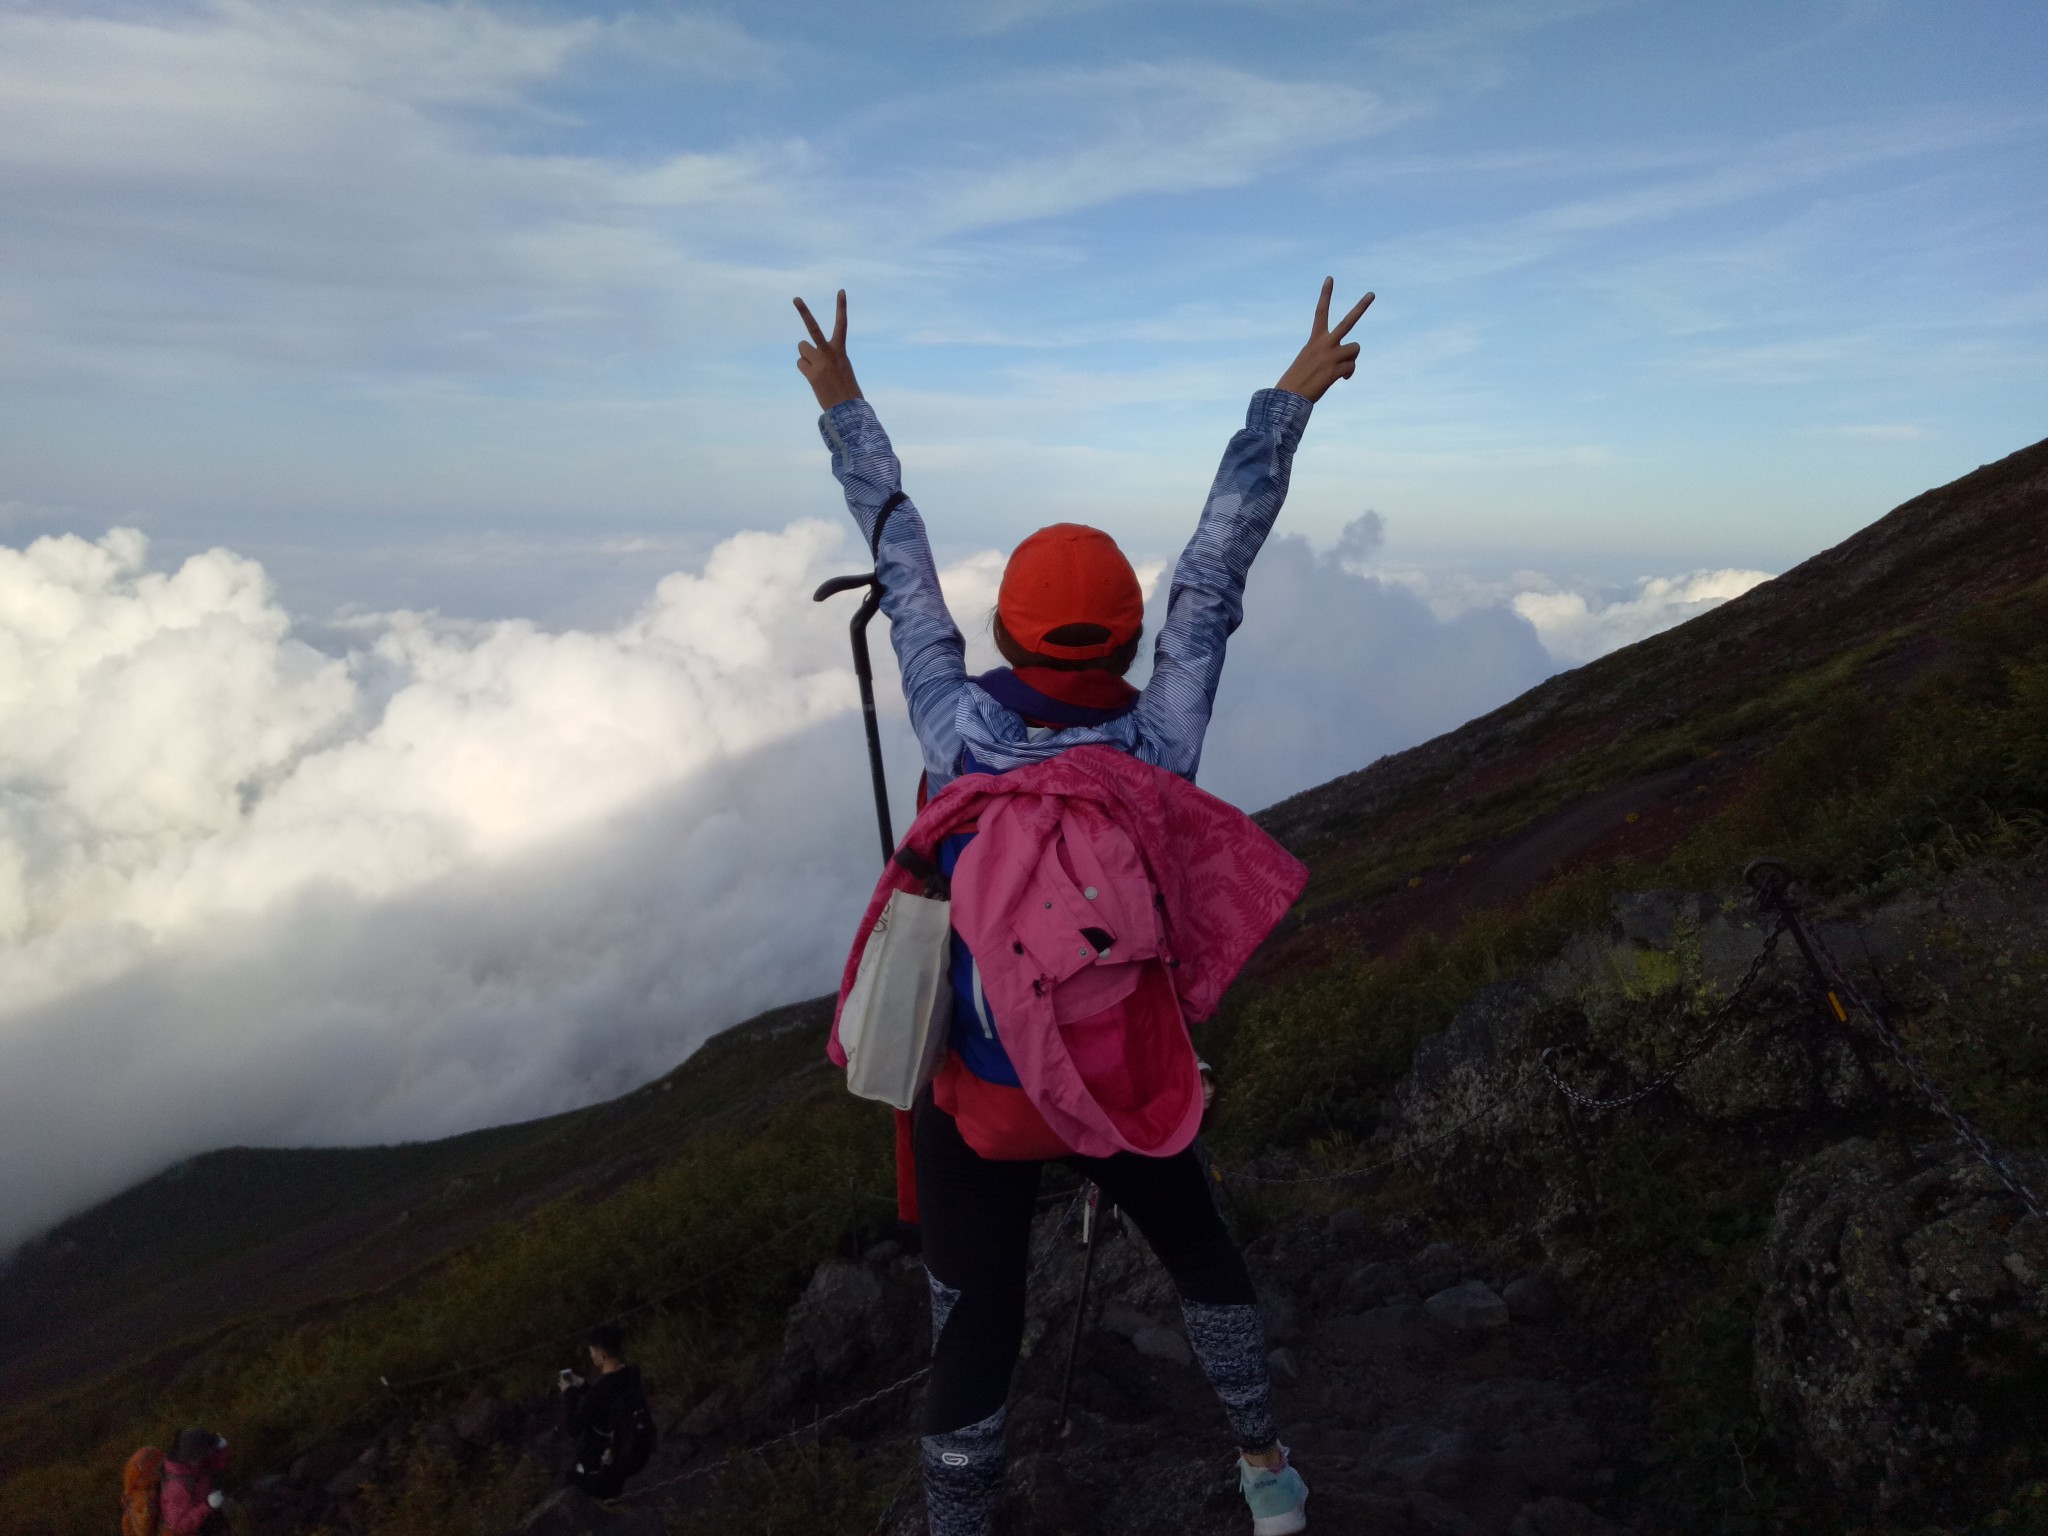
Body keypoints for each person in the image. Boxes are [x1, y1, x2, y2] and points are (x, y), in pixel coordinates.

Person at [796, 279, 1372, 1536]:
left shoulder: (957, 730)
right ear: (1124, 640)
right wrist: (1289, 399)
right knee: (1201, 1254)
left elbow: (898, 558)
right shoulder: (1157, 745)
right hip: (1122, 1071)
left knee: (975, 1320)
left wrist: (842, 402)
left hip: (981, 1093)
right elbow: (1215, 569)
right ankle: (1265, 1472)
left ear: (1003, 627)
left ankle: (961, 1523)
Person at [557, 1322, 655, 1499]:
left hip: (599, 1469)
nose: (591, 1354)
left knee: (568, 1492)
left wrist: (569, 1393)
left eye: (592, 1350)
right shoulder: (632, 1373)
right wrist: (585, 1387)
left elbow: (573, 1427)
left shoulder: (601, 1389)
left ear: (602, 1353)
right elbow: (610, 1403)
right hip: (623, 1459)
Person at [157, 1428, 231, 1535]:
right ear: (192, 1458)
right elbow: (178, 1527)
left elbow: (218, 1464)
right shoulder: (176, 1488)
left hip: (210, 1520)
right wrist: (207, 1505)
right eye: (205, 1453)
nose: (207, 1456)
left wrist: (222, 1448)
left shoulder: (194, 1465)